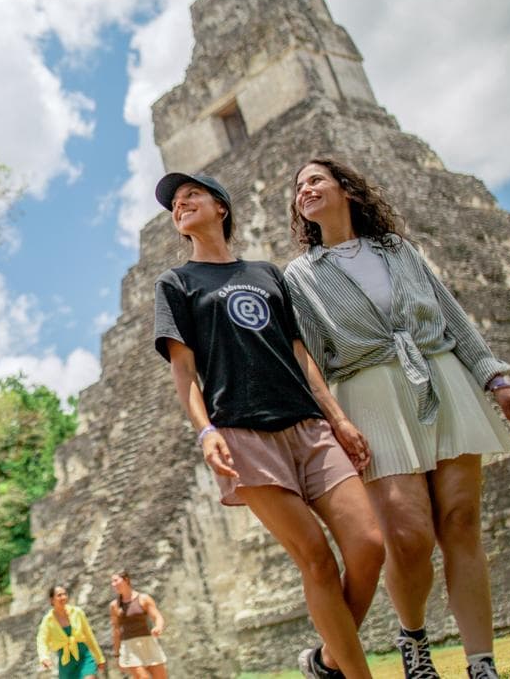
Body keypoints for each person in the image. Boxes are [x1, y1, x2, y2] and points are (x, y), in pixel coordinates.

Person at [285, 157, 510, 679]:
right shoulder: (301, 275)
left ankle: (480, 662)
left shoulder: (398, 250)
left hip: (442, 377)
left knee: (462, 521)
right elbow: (307, 356)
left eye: (315, 180)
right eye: (298, 186)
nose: (304, 190)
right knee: (408, 535)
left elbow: (452, 317)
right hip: (370, 392)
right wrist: (333, 419)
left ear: (346, 190)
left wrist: (497, 380)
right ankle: (414, 637)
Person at [152, 171, 384, 679]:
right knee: (317, 560)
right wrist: (205, 431)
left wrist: (339, 420)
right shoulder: (176, 283)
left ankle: (326, 659)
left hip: (307, 426)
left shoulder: (267, 274)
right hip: (241, 433)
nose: (180, 203)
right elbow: (184, 371)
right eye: (174, 202)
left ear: (222, 207)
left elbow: (301, 354)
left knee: (369, 544)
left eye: (192, 194)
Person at [36, 584, 105, 678]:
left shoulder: (77, 612)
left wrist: (99, 657)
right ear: (52, 600)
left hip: (83, 656)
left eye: (65, 594)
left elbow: (89, 635)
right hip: (66, 661)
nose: (63, 597)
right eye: (59, 595)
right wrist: (44, 657)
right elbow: (41, 640)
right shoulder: (48, 620)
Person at [108, 571, 167, 678]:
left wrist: (158, 627)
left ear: (126, 580)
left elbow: (157, 617)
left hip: (148, 643)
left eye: (116, 580)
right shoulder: (114, 605)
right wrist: (117, 654)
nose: (113, 584)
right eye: (112, 582)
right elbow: (116, 631)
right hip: (129, 647)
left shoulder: (143, 599)